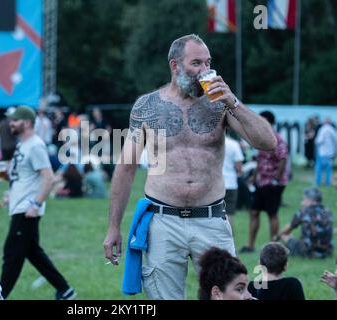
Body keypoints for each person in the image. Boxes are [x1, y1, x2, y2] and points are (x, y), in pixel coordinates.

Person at [103, 34, 277, 300]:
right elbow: (126, 167)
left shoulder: (220, 104)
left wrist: (233, 102)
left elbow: (268, 142)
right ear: (175, 66)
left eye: (208, 63)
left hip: (211, 220)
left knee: (232, 295)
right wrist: (113, 227)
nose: (204, 71)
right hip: (163, 220)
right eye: (196, 63)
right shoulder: (147, 106)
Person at [0, 106, 76, 300]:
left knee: (12, 255)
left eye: (14, 120)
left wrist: (35, 204)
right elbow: (24, 175)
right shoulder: (22, 144)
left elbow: (48, 178)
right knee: (32, 252)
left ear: (25, 122)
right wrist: (10, 192)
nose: (11, 124)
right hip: (19, 205)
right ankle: (65, 290)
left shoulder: (35, 145)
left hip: (27, 209)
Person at [240, 111, 288, 253]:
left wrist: (276, 179)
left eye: (265, 121)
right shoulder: (259, 138)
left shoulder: (278, 139)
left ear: (271, 123)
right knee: (254, 212)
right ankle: (250, 245)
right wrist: (254, 176)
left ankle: (273, 246)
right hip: (261, 182)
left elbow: (283, 159)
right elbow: (259, 160)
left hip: (273, 183)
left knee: (272, 214)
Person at [277, 188, 333, 259]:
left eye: (304, 199)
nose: (302, 203)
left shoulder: (303, 212)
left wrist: (277, 237)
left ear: (311, 201)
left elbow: (287, 229)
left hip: (309, 251)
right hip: (327, 251)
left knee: (284, 236)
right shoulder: (328, 212)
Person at [222, 131, 244, 229]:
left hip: (214, 184)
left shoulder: (209, 143)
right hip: (230, 183)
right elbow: (239, 167)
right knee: (229, 213)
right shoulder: (234, 144)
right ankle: (228, 237)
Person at [315, 118, 337, 186]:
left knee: (319, 169)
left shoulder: (322, 129)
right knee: (328, 169)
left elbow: (319, 140)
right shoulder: (332, 130)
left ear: (324, 122)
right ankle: (327, 183)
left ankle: (318, 182)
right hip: (330, 153)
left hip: (322, 152)